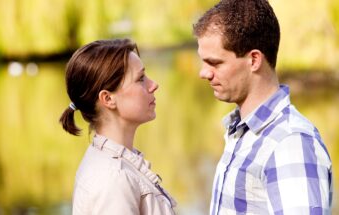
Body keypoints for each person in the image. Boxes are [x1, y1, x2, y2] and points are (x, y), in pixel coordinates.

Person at [193, 0, 332, 214]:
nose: (204, 73)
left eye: (215, 63)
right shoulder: (243, 133)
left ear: (254, 60)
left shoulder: (290, 142)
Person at [59, 39, 177, 215]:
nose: (153, 85)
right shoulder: (114, 179)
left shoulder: (115, 164)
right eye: (140, 79)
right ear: (108, 99)